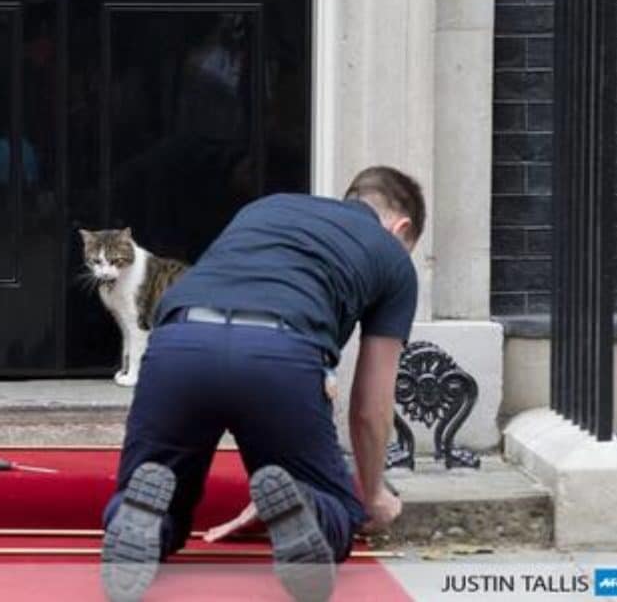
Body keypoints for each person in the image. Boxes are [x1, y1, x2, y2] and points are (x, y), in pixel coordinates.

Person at [100, 166, 424, 602]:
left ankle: (136, 516)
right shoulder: (391, 257)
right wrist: (373, 494)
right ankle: (310, 508)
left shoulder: (265, 209)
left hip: (179, 341)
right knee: (339, 511)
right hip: (280, 355)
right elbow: (370, 407)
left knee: (159, 488)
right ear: (399, 227)